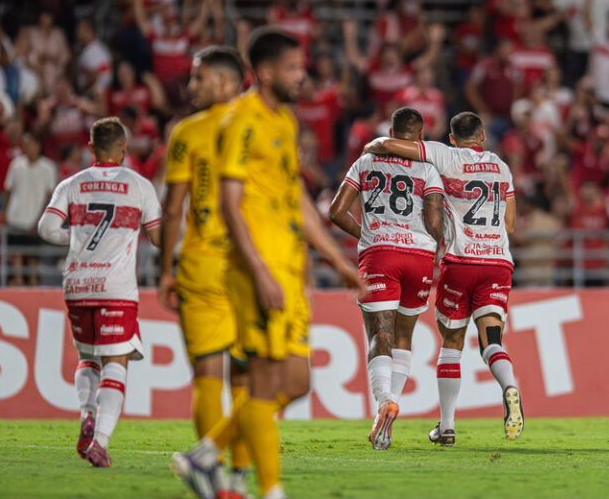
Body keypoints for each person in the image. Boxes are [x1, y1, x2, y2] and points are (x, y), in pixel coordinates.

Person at [171, 28, 363, 499]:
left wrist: (337, 262)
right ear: (269, 71)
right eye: (296, 68)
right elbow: (229, 203)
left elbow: (296, 201)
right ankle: (270, 489)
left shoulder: (284, 123)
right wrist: (257, 270)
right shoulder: (241, 121)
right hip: (256, 270)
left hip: (289, 268)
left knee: (296, 382)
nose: (303, 76)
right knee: (262, 380)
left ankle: (204, 456)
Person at [363, 111, 523, 444]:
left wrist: (374, 144)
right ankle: (509, 386)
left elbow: (391, 145)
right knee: (492, 340)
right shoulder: (502, 168)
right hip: (498, 264)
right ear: (482, 137)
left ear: (452, 138)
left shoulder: (444, 154)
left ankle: (447, 426)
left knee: (451, 344)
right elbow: (510, 225)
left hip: (460, 263)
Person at [36, 117, 162, 467]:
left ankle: (86, 413)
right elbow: (159, 237)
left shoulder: (72, 184)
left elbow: (45, 227)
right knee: (116, 362)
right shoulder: (139, 185)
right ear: (124, 148)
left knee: (88, 357)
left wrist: (74, 237)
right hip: (116, 287)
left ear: (90, 148)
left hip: (77, 285)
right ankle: (100, 441)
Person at [158, 46, 250, 498]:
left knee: (209, 373)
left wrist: (165, 269)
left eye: (197, 78)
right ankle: (236, 475)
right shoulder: (259, 126)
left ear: (224, 81)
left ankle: (211, 476)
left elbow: (173, 207)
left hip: (200, 264)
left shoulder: (187, 131)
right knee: (253, 377)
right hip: (250, 264)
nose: (190, 87)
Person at [329, 106, 445, 450]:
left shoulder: (365, 162)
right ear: (420, 137)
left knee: (380, 334)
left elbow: (336, 211)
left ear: (390, 132)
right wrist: (435, 246)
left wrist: (368, 231)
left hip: (381, 252)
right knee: (404, 336)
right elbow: (435, 222)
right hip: (420, 257)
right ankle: (391, 402)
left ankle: (384, 403)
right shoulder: (428, 169)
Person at [3, 133, 57, 286]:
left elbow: (49, 197)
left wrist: (41, 219)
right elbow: (8, 190)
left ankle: (33, 288)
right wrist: (5, 214)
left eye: (28, 144)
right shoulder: (16, 164)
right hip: (16, 218)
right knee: (16, 256)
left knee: (34, 259)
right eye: (24, 144)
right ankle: (18, 283)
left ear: (37, 146)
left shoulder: (48, 167)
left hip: (35, 220)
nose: (25, 147)